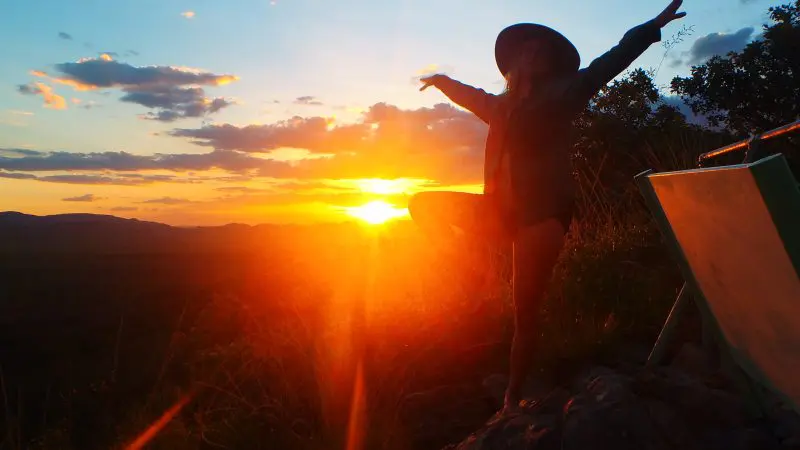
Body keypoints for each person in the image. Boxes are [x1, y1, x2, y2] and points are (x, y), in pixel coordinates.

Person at [411, 0, 687, 415]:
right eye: (528, 48)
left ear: (551, 64)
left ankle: (511, 398)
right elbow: (471, 96)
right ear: (514, 61)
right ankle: (474, 275)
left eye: (542, 50)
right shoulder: (500, 106)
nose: (534, 52)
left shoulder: (564, 95)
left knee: (525, 311)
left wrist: (651, 27)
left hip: (542, 215)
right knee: (421, 205)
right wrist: (441, 80)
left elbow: (607, 63)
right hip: (499, 210)